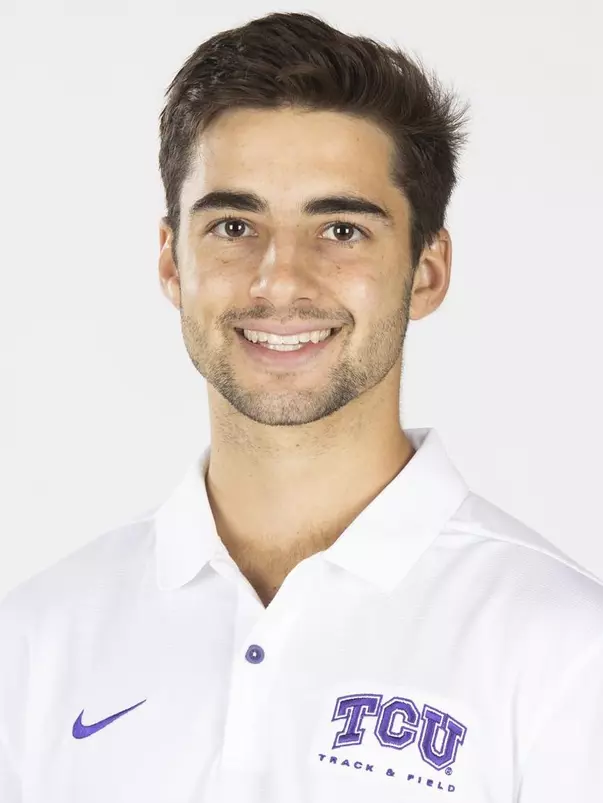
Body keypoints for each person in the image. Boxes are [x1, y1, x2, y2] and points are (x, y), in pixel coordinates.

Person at [1, 10, 602, 803]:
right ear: (171, 262)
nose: (279, 281)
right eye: (233, 224)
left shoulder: (564, 652)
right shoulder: (37, 641)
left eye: (342, 228)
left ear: (425, 271)